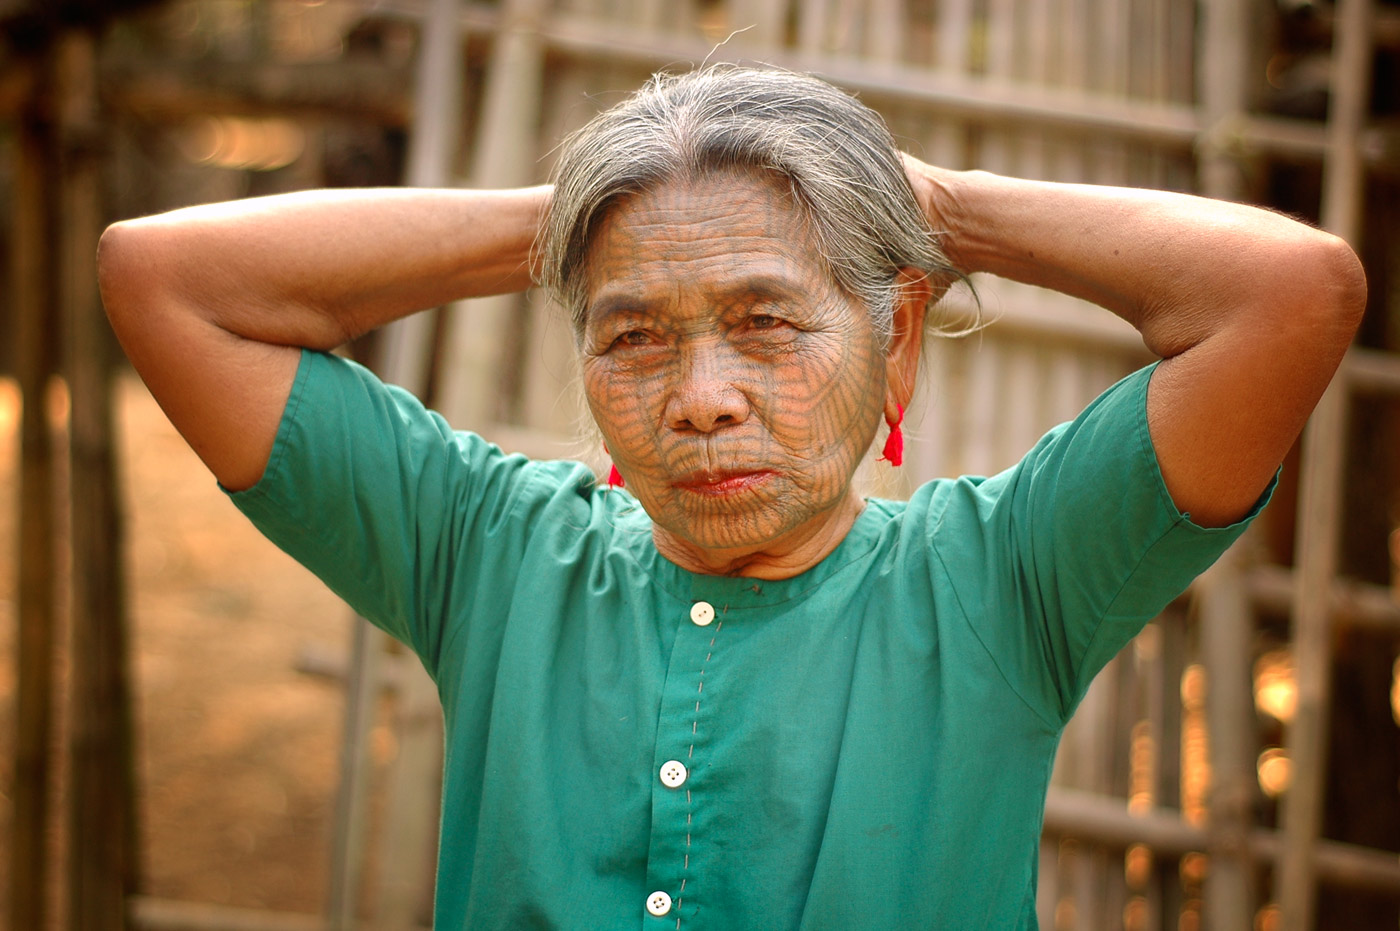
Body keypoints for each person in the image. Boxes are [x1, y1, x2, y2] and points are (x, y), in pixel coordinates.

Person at [98, 66, 1364, 929]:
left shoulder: (1001, 580)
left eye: (767, 322)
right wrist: (603, 215)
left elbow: (1290, 294)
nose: (701, 397)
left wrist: (939, 208)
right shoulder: (490, 554)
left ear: (898, 345)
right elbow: (163, 276)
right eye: (632, 335)